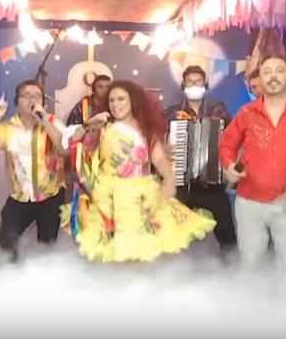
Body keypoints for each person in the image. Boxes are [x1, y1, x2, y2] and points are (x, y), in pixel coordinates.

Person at [63, 80, 216, 263]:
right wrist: (90, 124)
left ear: (132, 101)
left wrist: (169, 180)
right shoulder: (102, 128)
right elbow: (72, 143)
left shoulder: (146, 130)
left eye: (121, 99)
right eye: (112, 100)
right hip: (109, 199)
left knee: (139, 252)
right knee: (114, 253)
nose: (116, 104)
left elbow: (159, 158)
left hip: (141, 197)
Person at [218, 54, 286, 272]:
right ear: (259, 79)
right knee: (251, 265)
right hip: (249, 204)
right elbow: (226, 145)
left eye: (279, 71)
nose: (273, 77)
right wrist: (229, 165)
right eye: (267, 72)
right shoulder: (246, 113)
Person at [0, 80, 71, 262]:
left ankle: (43, 275)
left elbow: (64, 149)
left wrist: (44, 121)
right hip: (21, 197)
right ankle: (12, 272)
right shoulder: (8, 128)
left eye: (37, 96)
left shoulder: (53, 122)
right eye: (27, 96)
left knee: (47, 246)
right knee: (6, 241)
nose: (32, 100)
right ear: (17, 101)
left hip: (50, 196)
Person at [164, 65, 237, 260]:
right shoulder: (171, 113)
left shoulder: (218, 109)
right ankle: (177, 269)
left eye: (198, 82)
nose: (194, 85)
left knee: (226, 231)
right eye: (190, 82)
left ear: (205, 84)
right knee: (175, 235)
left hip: (212, 183)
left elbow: (232, 138)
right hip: (182, 185)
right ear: (183, 85)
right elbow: (157, 142)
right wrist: (164, 149)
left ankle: (231, 267)